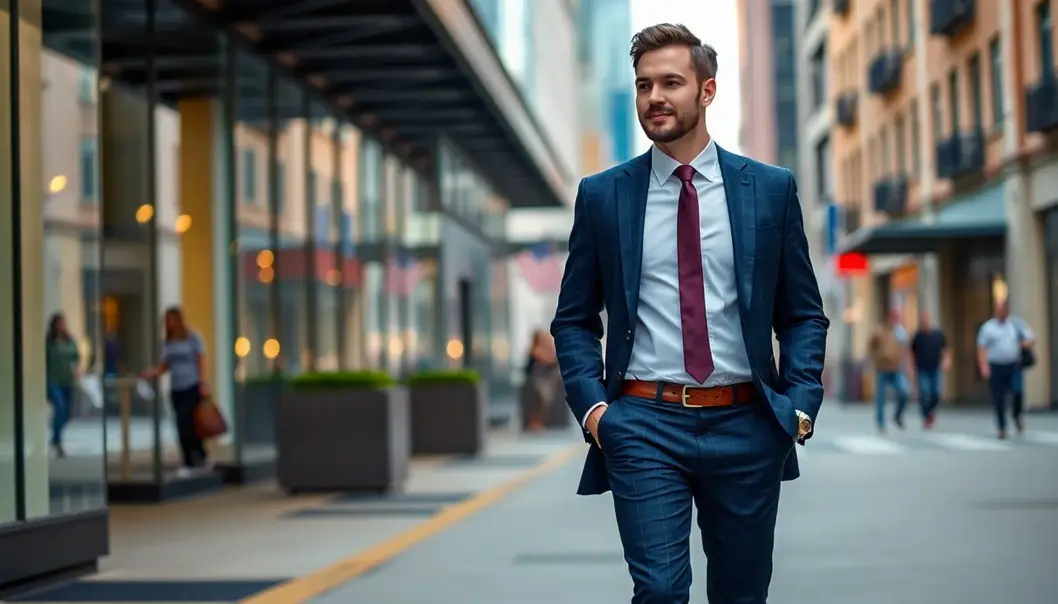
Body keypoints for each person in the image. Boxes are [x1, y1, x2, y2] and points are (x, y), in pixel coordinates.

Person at [550, 23, 828, 604]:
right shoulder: (603, 195)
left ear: (707, 91)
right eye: (644, 84)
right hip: (644, 423)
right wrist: (596, 411)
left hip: (748, 423)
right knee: (659, 591)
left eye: (671, 82)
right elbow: (574, 317)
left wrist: (798, 407)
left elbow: (801, 313)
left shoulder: (769, 190)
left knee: (741, 594)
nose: (655, 97)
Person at [141, 306, 212, 477]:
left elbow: (200, 360)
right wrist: (152, 372)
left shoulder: (193, 337)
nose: (170, 324)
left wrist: (203, 383)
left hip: (191, 385)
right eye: (167, 321)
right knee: (182, 425)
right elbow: (165, 365)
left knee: (186, 422)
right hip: (176, 388)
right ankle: (198, 457)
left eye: (172, 320)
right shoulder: (169, 341)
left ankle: (192, 460)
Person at [976, 300, 1035, 439]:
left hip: (1014, 364)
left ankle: (1016, 415)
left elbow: (1031, 337)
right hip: (996, 365)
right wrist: (984, 366)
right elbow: (982, 348)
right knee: (999, 397)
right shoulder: (988, 327)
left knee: (1017, 391)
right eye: (999, 309)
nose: (1002, 312)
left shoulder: (1016, 324)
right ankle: (1002, 427)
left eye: (1004, 309)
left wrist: (1026, 343)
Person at [868, 308, 910, 432]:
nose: (895, 320)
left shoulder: (900, 332)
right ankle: (881, 423)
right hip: (882, 368)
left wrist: (906, 364)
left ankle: (897, 415)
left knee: (903, 392)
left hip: (896, 368)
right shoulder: (879, 331)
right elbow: (871, 345)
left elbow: (905, 349)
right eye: (894, 317)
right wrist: (875, 357)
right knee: (881, 398)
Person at [45, 313, 81, 458]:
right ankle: (58, 442)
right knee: (60, 407)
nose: (61, 326)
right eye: (59, 323)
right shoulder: (49, 342)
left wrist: (77, 371)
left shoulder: (70, 340)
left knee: (67, 414)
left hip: (68, 380)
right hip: (53, 380)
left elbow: (76, 358)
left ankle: (55, 436)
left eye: (63, 323)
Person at [910, 311, 949, 429]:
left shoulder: (938, 335)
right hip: (922, 369)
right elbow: (911, 353)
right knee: (924, 392)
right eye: (924, 320)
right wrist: (910, 367)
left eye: (927, 319)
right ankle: (926, 415)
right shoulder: (918, 336)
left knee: (936, 393)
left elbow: (945, 350)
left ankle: (930, 411)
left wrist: (946, 361)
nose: (925, 322)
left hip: (935, 368)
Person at [522, 329, 562, 431]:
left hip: (562, 431)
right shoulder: (531, 380)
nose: (551, 348)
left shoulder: (560, 372)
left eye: (551, 344)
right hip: (543, 436)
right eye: (545, 345)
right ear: (535, 350)